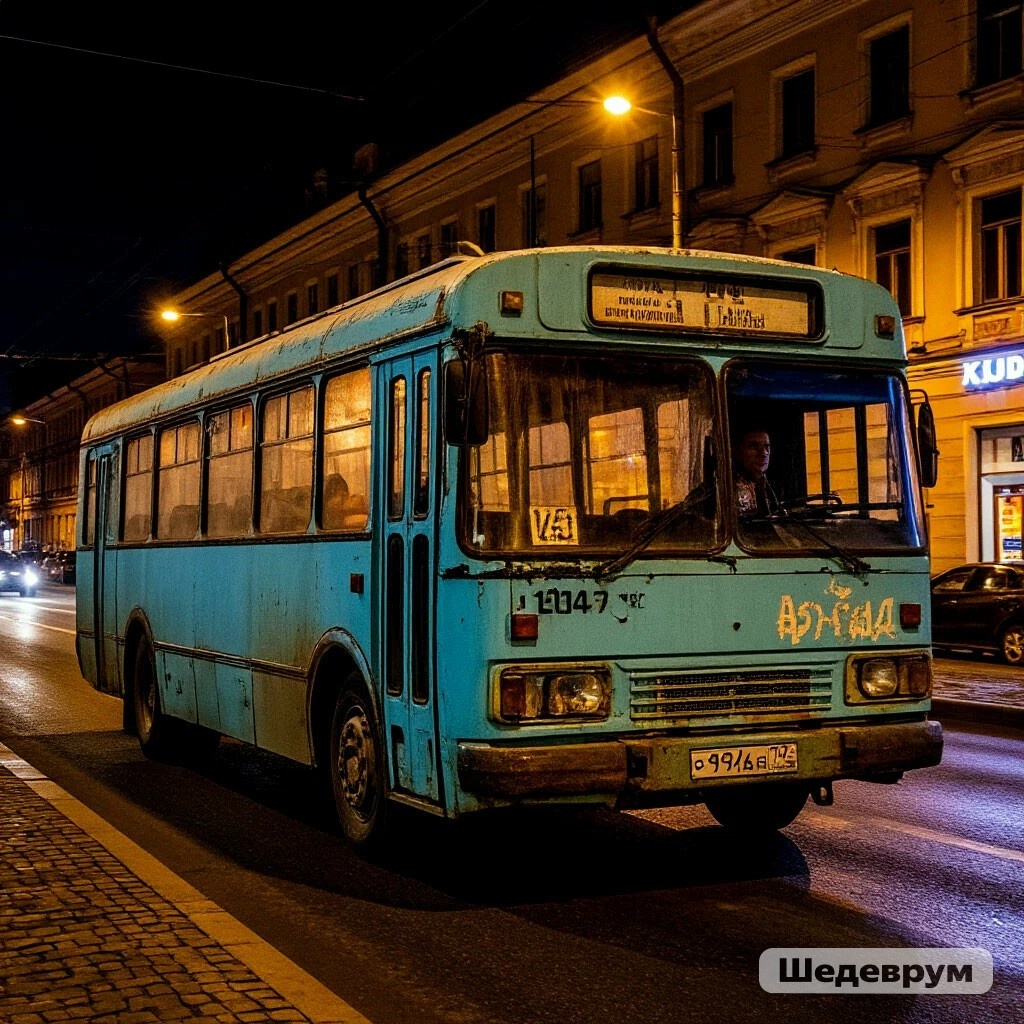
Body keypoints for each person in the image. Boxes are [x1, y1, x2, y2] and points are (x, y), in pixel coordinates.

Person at [733, 427, 781, 516]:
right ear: (736, 451)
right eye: (754, 447)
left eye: (767, 446)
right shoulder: (731, 487)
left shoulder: (767, 483)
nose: (764, 453)